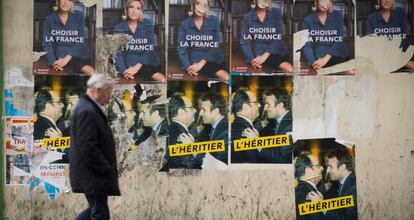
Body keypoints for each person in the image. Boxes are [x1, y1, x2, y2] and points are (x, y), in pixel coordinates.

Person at [69, 73, 120, 219]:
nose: (109, 97)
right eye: (108, 92)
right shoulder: (87, 111)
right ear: (98, 90)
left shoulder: (88, 108)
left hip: (93, 174)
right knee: (100, 214)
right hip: (93, 174)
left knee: (94, 211)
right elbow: (87, 146)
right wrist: (105, 168)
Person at [114, 0, 166, 82]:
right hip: (130, 66)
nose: (134, 11)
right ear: (126, 10)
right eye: (131, 7)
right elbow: (117, 53)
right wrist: (124, 71)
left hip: (148, 62)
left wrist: (137, 67)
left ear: (141, 11)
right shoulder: (119, 28)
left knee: (162, 80)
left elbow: (149, 48)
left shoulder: (147, 24)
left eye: (138, 8)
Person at [177, 0, 229, 80]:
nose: (201, 7)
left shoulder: (214, 20)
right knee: (225, 77)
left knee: (226, 78)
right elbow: (181, 49)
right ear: (193, 6)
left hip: (215, 58)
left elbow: (216, 44)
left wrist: (201, 63)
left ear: (207, 8)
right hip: (196, 61)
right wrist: (188, 67)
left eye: (204, 5)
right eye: (198, 4)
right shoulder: (184, 24)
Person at [42, 0, 94, 74]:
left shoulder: (79, 16)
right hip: (62, 54)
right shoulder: (49, 19)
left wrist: (66, 59)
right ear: (58, 1)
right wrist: (53, 62)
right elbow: (46, 44)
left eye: (69, 0)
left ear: (72, 2)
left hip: (80, 52)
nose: (65, 2)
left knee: (89, 71)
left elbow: (80, 41)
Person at [240, 0, 293, 73]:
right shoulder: (247, 17)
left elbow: (279, 36)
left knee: (290, 69)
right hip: (260, 52)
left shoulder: (276, 13)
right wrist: (252, 60)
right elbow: (244, 41)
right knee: (288, 69)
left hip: (278, 49)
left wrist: (265, 56)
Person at [367, 0, 414, 72]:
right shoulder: (371, 19)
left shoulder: (400, 14)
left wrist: (404, 61)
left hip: (403, 60)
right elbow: (373, 46)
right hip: (382, 63)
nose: (387, 0)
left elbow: (404, 41)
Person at [302, 0, 350, 71]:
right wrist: (313, 62)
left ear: (331, 2)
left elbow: (340, 38)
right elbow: (306, 44)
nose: (324, 4)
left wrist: (326, 58)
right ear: (316, 2)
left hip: (339, 52)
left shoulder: (337, 15)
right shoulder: (308, 20)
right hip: (320, 56)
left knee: (351, 72)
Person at [162, 94, 204, 170]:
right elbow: (187, 169)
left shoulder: (174, 129)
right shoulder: (181, 137)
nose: (195, 110)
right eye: (191, 107)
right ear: (181, 111)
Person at [258, 89, 292, 163]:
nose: (265, 108)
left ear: (280, 105)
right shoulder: (275, 122)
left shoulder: (290, 126)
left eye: (268, 104)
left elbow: (282, 159)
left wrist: (257, 144)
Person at [325, 150, 358, 220]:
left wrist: (322, 207)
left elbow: (346, 218)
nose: (327, 170)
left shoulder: (354, 188)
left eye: (330, 167)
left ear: (342, 167)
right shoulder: (340, 183)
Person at [231, 89, 261, 163]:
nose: (259, 105)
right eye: (256, 102)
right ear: (245, 106)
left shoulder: (238, 126)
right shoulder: (245, 131)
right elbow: (253, 163)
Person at [294, 152, 325, 220]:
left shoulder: (302, 190)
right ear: (308, 170)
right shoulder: (308, 194)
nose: (322, 168)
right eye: (318, 165)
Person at [199, 94, 228, 164]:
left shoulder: (225, 132)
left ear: (216, 111)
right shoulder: (210, 128)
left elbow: (216, 162)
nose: (200, 113)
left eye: (203, 110)